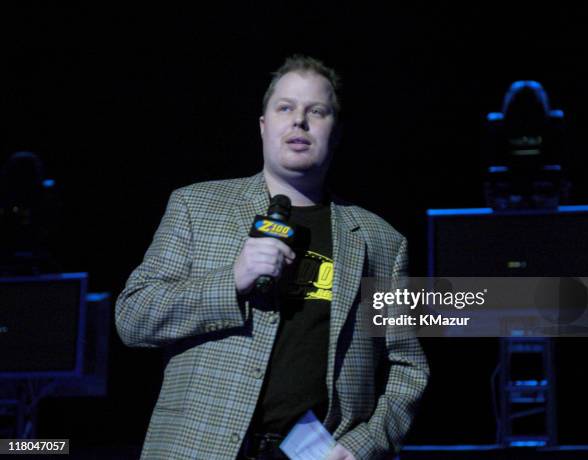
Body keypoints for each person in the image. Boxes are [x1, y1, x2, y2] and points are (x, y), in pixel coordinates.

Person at [115, 55, 429, 460]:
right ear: (263, 126)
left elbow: (408, 368)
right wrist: (232, 279)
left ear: (336, 133)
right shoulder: (197, 206)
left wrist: (361, 447)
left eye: (317, 111)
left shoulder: (382, 242)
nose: (299, 121)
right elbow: (133, 316)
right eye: (285, 108)